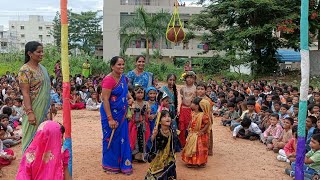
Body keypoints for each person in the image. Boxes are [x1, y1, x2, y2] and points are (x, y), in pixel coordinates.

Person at [100, 56, 132, 175]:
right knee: (110, 139)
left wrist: (130, 97)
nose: (121, 67)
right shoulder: (108, 80)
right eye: (119, 64)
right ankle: (110, 165)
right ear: (112, 66)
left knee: (122, 139)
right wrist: (110, 119)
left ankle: (123, 164)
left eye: (123, 64)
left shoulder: (123, 78)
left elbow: (125, 90)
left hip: (122, 114)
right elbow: (105, 99)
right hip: (110, 115)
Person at [18, 41, 51, 152]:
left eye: (42, 51)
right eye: (38, 52)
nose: (41, 54)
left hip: (45, 110)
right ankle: (28, 167)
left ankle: (41, 167)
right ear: (29, 53)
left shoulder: (43, 69)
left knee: (44, 137)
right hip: (33, 110)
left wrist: (51, 106)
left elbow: (46, 91)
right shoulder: (25, 70)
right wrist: (30, 112)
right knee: (31, 139)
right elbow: (25, 93)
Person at [145, 110, 177, 180]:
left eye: (169, 116)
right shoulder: (157, 132)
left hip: (168, 157)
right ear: (159, 121)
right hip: (158, 157)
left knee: (169, 168)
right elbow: (149, 144)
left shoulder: (172, 131)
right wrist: (154, 135)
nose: (168, 118)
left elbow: (174, 145)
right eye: (164, 117)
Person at [181, 98, 210, 168]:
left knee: (199, 149)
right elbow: (191, 121)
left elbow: (207, 124)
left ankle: (200, 162)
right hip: (192, 133)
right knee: (191, 148)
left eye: (192, 103)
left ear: (197, 106)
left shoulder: (203, 115)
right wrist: (188, 127)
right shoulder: (193, 113)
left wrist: (202, 131)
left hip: (199, 135)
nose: (191, 104)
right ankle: (192, 162)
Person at [129, 85, 151, 162]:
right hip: (135, 125)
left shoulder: (146, 103)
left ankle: (142, 156)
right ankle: (135, 156)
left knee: (144, 139)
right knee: (135, 140)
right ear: (134, 94)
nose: (140, 94)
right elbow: (130, 114)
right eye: (138, 93)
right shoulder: (133, 103)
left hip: (144, 124)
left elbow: (148, 114)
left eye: (142, 92)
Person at [179, 71, 196, 147]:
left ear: (194, 79)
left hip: (191, 110)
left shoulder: (196, 88)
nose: (189, 79)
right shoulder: (183, 88)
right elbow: (181, 98)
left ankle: (191, 143)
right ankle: (183, 143)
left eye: (191, 78)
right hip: (183, 109)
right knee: (182, 127)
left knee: (191, 126)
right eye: (187, 77)